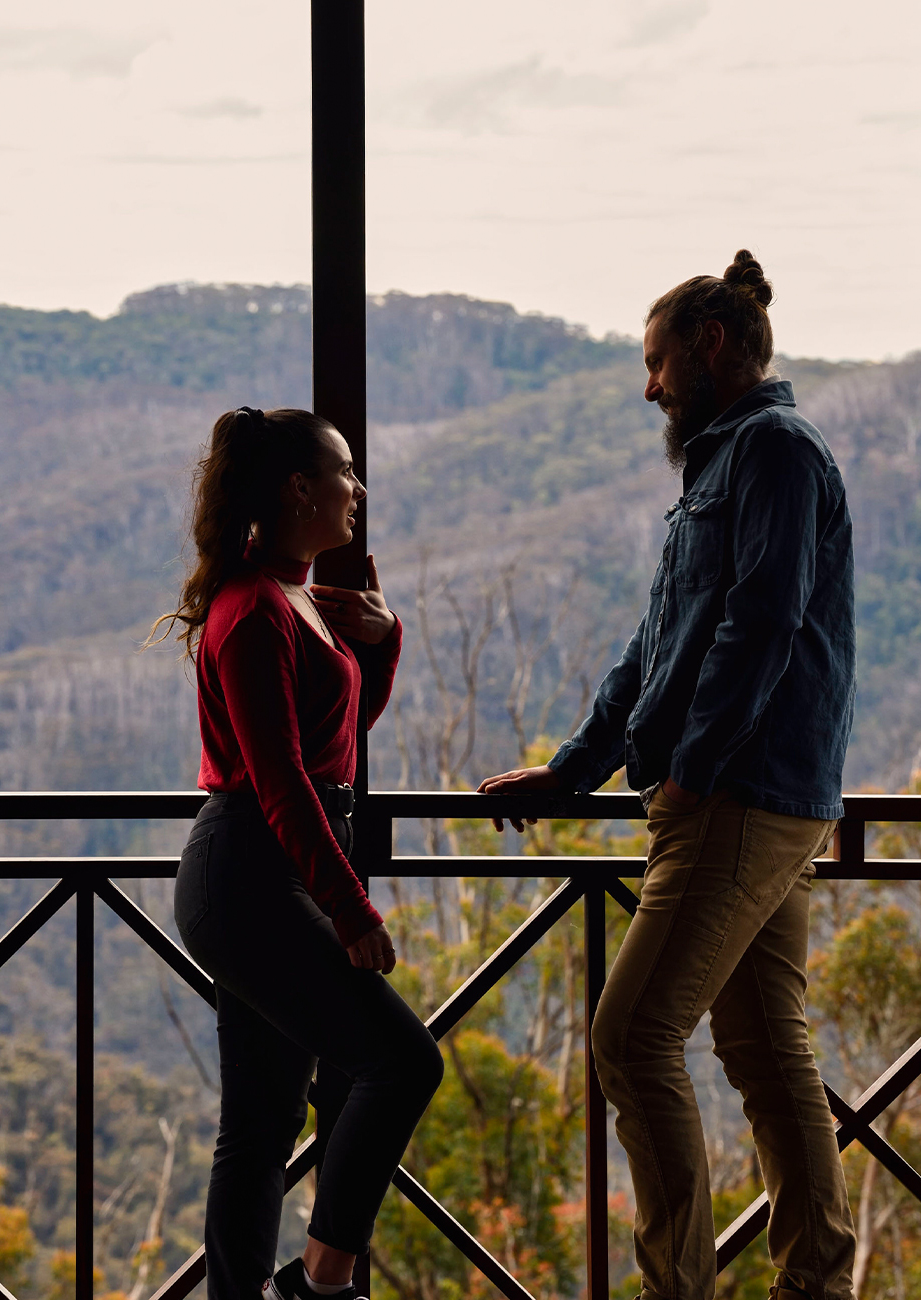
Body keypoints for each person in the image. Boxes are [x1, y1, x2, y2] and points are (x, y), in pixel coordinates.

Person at [478, 252, 857, 1300]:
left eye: (655, 363)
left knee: (631, 1037)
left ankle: (675, 1289)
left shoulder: (772, 450)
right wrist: (570, 772)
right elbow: (658, 640)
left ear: (711, 346)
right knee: (764, 1049)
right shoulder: (723, 462)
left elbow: (761, 621)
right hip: (759, 794)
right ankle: (815, 1283)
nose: (648, 386)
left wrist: (691, 767)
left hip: (737, 797)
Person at [153, 406, 443, 1300]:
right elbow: (278, 779)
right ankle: (319, 1284)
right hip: (248, 875)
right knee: (400, 1064)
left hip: (279, 866)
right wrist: (350, 912)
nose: (357, 490)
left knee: (263, 1122)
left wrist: (384, 642)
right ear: (298, 488)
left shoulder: (296, 599)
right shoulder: (252, 611)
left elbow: (337, 737)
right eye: (345, 473)